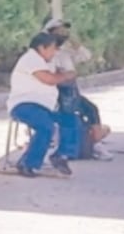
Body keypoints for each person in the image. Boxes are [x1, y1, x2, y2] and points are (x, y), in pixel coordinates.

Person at [7, 32, 78, 177]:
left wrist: (63, 74)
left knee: (72, 121)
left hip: (45, 107)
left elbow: (60, 76)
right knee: (46, 127)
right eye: (52, 48)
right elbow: (49, 79)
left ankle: (61, 155)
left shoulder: (47, 62)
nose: (55, 52)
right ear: (41, 48)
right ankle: (28, 163)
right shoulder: (30, 59)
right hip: (24, 104)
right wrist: (65, 75)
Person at [42, 17, 113, 161]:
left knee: (91, 109)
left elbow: (86, 56)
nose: (63, 34)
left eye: (65, 31)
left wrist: (74, 42)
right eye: (59, 31)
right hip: (56, 93)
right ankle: (63, 148)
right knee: (68, 117)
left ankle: (96, 145)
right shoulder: (46, 51)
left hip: (71, 91)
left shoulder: (66, 51)